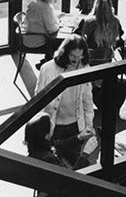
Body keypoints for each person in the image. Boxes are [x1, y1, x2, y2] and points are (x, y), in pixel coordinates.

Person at [35, 35, 98, 168]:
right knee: (55, 164)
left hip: (76, 125)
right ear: (64, 53)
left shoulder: (84, 67)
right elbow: (38, 99)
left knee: (75, 162)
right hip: (54, 125)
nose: (77, 60)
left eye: (80, 56)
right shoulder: (47, 69)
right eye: (73, 56)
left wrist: (89, 125)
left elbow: (87, 99)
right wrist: (42, 128)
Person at [21, 0, 60, 69]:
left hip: (26, 39)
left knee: (52, 39)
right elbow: (52, 29)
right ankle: (50, 66)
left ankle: (46, 61)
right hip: (37, 42)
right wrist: (58, 23)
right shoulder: (46, 8)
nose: (57, 0)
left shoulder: (33, 4)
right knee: (64, 43)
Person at [78, 0, 123, 65]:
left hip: (91, 59)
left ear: (95, 6)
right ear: (110, 6)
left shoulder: (89, 21)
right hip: (107, 58)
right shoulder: (115, 21)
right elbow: (120, 36)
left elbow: (78, 36)